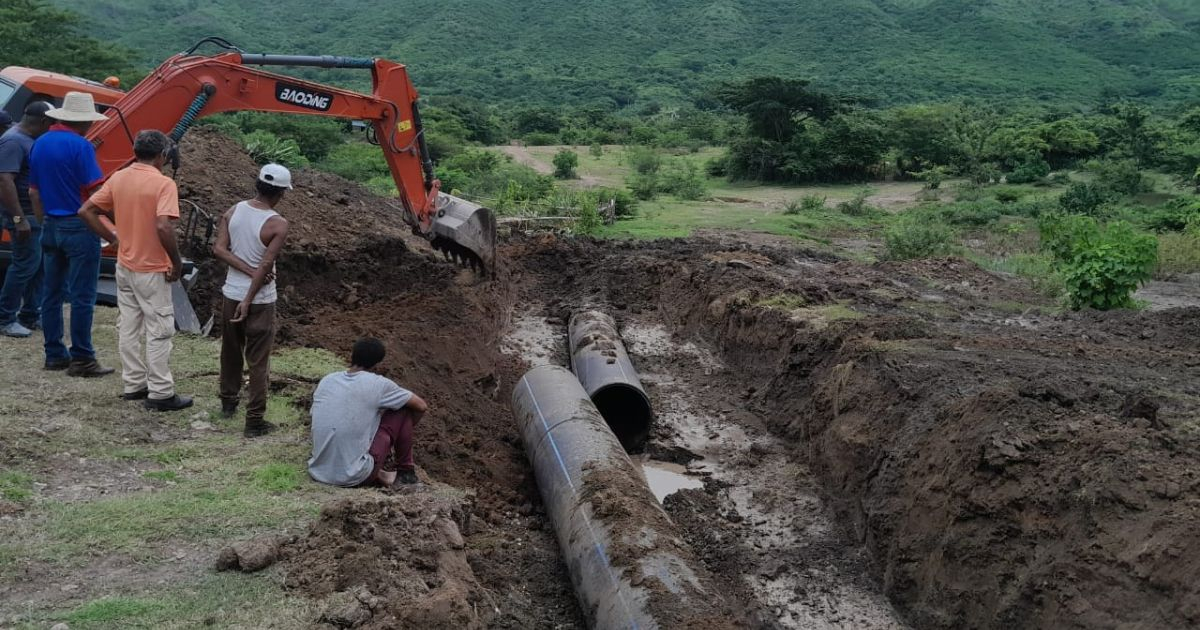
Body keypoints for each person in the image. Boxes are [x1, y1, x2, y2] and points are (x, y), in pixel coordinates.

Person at [79, 130, 192, 411]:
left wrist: (116, 237)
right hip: (151, 270)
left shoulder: (120, 177)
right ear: (161, 155)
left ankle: (134, 384)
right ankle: (161, 393)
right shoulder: (163, 184)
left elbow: (87, 210)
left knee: (129, 326)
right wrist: (176, 263)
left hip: (125, 266)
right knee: (159, 330)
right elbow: (163, 226)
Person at [28, 92, 113, 376]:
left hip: (50, 225)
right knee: (82, 296)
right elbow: (95, 192)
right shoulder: (82, 146)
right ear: (85, 121)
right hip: (78, 228)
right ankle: (83, 359)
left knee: (50, 293)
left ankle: (54, 355)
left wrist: (46, 223)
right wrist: (114, 223)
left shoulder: (39, 143)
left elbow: (34, 192)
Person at [214, 164, 290, 437]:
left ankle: (228, 403)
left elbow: (219, 249)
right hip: (259, 301)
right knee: (258, 361)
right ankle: (254, 420)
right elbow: (266, 264)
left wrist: (243, 275)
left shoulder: (234, 210)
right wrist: (249, 297)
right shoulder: (277, 224)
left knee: (231, 351)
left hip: (230, 294)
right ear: (280, 192)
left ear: (257, 185)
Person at [308, 338, 428, 487]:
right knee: (404, 409)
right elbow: (421, 406)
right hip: (354, 477)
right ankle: (406, 473)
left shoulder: (327, 380)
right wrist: (400, 432)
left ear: (352, 356)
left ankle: (380, 474)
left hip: (319, 471)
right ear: (377, 363)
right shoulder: (379, 384)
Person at [0, 101, 53, 337]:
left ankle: (30, 315)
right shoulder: (13, 141)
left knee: (39, 266)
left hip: (35, 215)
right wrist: (18, 218)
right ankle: (5, 318)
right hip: (23, 215)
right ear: (43, 121)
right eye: (51, 122)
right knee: (24, 265)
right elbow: (4, 180)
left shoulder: (28, 140)